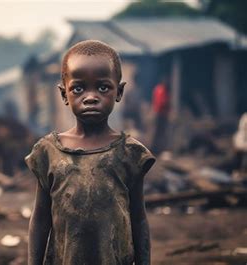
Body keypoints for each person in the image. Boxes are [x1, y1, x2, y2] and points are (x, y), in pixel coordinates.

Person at [25, 40, 156, 265]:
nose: (91, 96)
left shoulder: (129, 154)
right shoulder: (49, 152)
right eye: (78, 88)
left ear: (119, 91)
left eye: (103, 87)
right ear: (64, 94)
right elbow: (40, 219)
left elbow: (138, 218)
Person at [151, 77, 170, 155]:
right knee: (159, 133)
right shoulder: (162, 90)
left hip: (159, 113)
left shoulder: (158, 89)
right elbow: (162, 102)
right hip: (161, 113)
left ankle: (156, 149)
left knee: (158, 132)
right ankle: (156, 150)